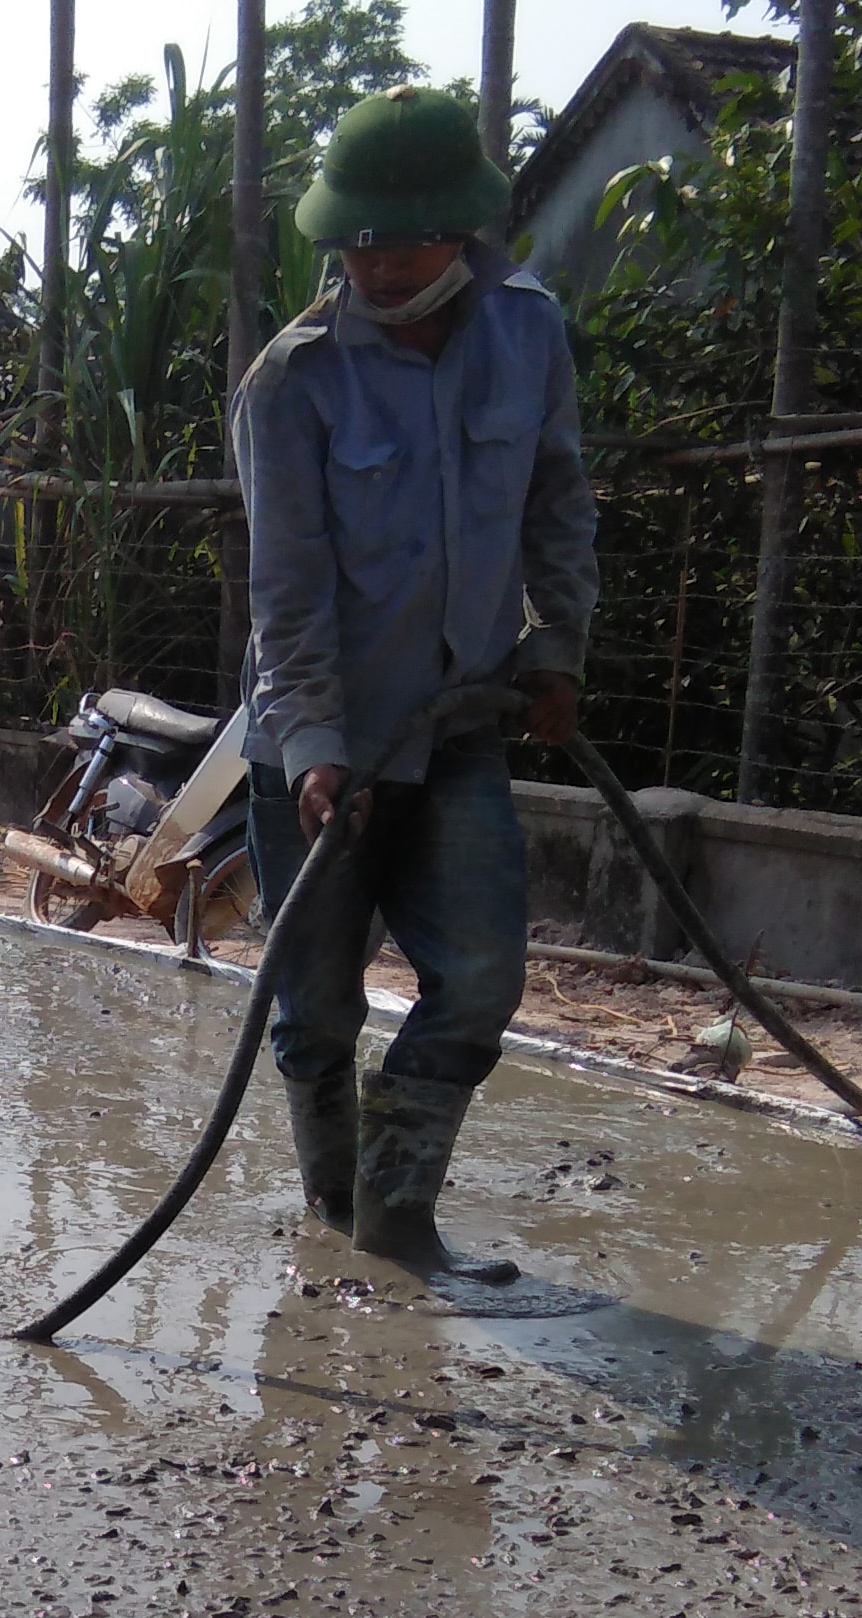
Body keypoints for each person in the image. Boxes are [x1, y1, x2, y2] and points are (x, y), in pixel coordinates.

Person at [231, 83, 597, 1286]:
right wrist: (318, 744)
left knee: (482, 976)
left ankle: (394, 1211)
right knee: (316, 1006)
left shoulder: (527, 333)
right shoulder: (291, 383)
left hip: (458, 725)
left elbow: (554, 506)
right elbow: (285, 591)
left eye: (404, 242)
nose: (379, 268)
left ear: (463, 228)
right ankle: (334, 1205)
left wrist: (553, 650)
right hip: (318, 739)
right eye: (358, 245)